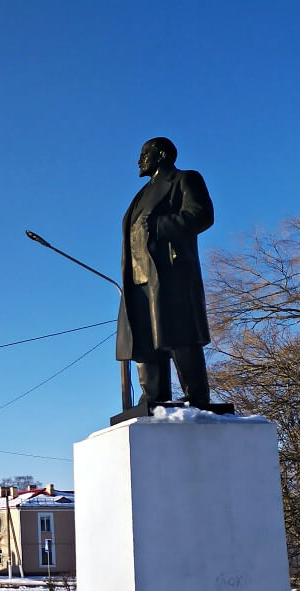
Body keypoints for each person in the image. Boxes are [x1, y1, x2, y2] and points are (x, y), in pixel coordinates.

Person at [117, 137, 215, 407]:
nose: (139, 160)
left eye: (144, 153)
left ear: (161, 154)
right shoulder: (141, 194)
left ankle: (196, 397)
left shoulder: (184, 179)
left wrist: (160, 226)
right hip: (138, 277)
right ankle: (153, 396)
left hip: (169, 274)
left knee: (179, 333)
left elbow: (202, 215)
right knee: (144, 337)